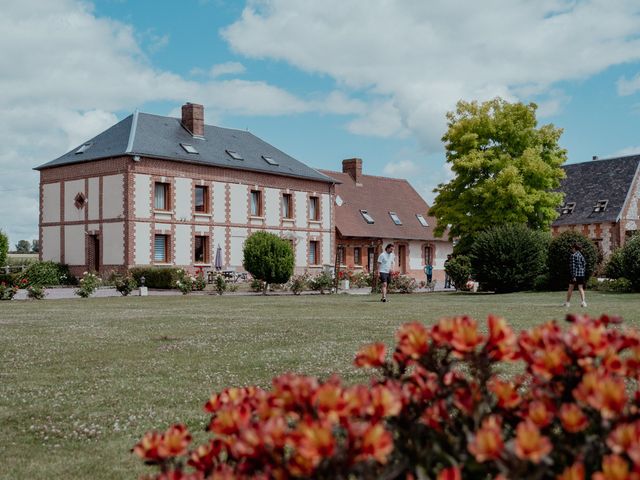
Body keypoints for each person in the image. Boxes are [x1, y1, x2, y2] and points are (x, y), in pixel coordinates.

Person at [565, 243, 587, 308]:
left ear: (574, 248)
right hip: (581, 274)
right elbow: (584, 264)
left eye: (572, 248)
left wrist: (573, 276)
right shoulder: (581, 255)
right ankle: (583, 302)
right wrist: (582, 271)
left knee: (570, 288)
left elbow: (573, 267)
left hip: (575, 275)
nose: (572, 249)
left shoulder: (573, 256)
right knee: (581, 288)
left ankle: (567, 303)